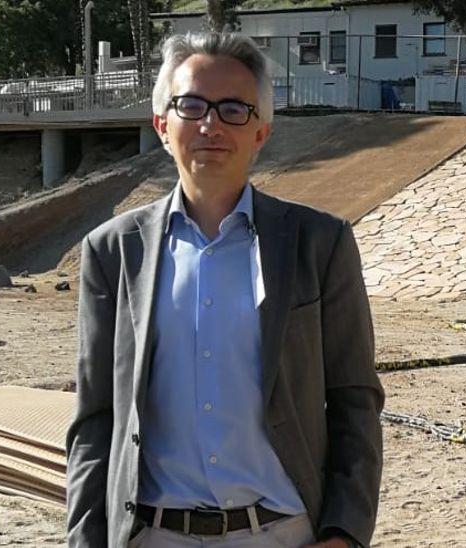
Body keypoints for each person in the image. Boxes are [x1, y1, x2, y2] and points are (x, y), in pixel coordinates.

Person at [66, 32, 384, 548]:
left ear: (261, 131)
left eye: (234, 108)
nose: (211, 124)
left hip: (283, 534)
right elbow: (95, 418)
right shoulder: (112, 252)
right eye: (191, 105)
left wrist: (344, 533)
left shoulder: (319, 244)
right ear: (162, 125)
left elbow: (355, 400)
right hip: (153, 535)